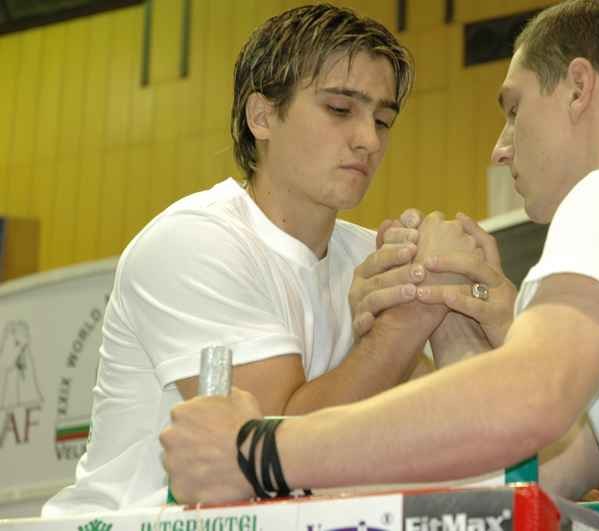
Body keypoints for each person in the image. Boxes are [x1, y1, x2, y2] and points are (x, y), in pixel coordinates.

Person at [160, 1, 599, 529]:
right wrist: (453, 315)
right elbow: (532, 477)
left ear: (579, 88)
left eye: (514, 109)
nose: (500, 148)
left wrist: (259, 451)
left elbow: (528, 400)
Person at [43, 4, 488, 515]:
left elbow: (432, 423)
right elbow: (269, 456)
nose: (369, 139)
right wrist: (406, 321)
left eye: (382, 120)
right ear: (262, 116)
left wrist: (463, 302)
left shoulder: (367, 255)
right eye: (341, 110)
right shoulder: (194, 242)